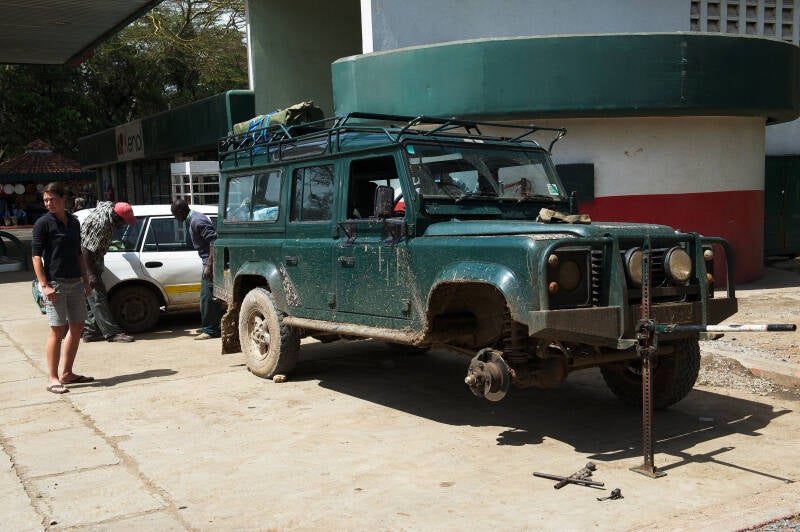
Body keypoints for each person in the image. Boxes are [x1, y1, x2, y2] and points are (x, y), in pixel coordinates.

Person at [31, 182, 93, 394]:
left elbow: (78, 253)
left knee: (77, 327)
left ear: (63, 198)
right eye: (46, 200)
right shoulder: (43, 224)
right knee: (57, 330)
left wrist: (86, 279)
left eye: (52, 199)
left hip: (75, 281)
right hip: (55, 284)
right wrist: (45, 285)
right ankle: (53, 377)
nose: (48, 203)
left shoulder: (74, 222)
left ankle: (67, 373)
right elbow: (36, 257)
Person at [80, 201, 137, 343]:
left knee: (90, 300)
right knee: (98, 297)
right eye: (124, 222)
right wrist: (91, 273)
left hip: (91, 261)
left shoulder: (108, 209)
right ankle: (111, 333)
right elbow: (86, 250)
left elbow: (104, 202)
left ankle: (90, 332)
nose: (124, 225)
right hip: (87, 263)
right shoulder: (102, 224)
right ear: (117, 217)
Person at [171, 198, 222, 339]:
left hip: (211, 263)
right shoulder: (192, 219)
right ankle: (213, 327)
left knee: (207, 298)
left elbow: (214, 241)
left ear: (180, 212)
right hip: (207, 261)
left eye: (175, 215)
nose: (175, 218)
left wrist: (209, 265)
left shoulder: (196, 221)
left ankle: (211, 330)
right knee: (208, 297)